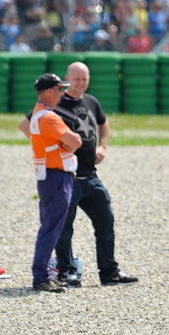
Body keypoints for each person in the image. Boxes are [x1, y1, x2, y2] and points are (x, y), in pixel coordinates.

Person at [20, 62, 138, 287]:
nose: (80, 83)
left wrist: (102, 146)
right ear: (67, 80)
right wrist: (48, 147)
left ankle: (109, 271)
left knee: (105, 220)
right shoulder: (52, 105)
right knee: (63, 228)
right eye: (76, 79)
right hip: (66, 177)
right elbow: (26, 125)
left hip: (90, 175)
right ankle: (66, 271)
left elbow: (103, 123)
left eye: (85, 79)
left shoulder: (91, 101)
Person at [28, 73, 82, 293]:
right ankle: (42, 276)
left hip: (49, 176)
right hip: (57, 176)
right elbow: (75, 141)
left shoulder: (38, 113)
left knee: (49, 228)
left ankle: (45, 274)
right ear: (49, 92)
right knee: (51, 230)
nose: (62, 93)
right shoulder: (49, 117)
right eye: (59, 89)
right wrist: (69, 143)